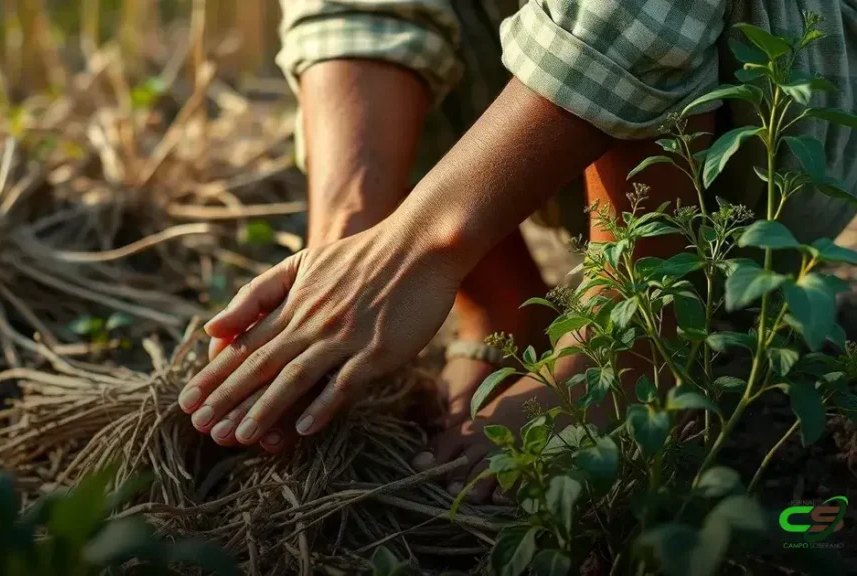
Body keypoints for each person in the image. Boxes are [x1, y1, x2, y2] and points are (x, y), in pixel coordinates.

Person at [178, 0, 856, 502]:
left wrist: (410, 249)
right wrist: (350, 236)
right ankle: (503, 310)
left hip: (782, 99)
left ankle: (629, 344)